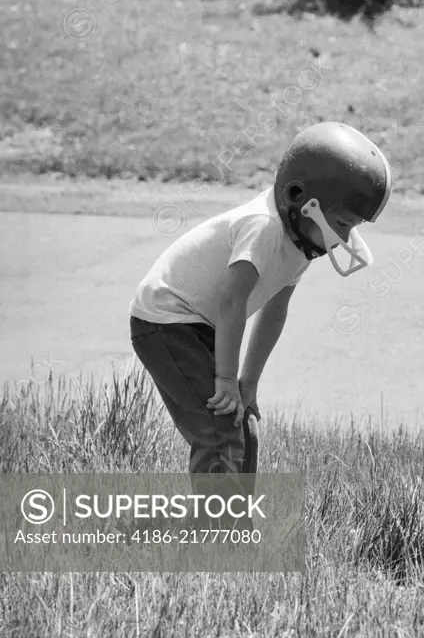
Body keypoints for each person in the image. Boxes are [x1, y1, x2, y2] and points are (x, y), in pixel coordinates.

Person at [129, 122, 392, 503]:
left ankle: (237, 524)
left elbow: (274, 311)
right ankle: (217, 539)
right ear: (302, 200)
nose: (346, 239)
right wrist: (224, 379)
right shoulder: (264, 227)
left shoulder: (301, 243)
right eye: (342, 225)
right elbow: (232, 302)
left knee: (241, 422)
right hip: (165, 321)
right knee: (218, 428)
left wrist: (247, 383)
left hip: (201, 324)